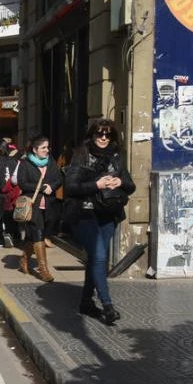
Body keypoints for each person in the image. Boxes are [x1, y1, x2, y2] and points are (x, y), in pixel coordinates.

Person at [64, 120, 136, 324]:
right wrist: (97, 184)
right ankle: (108, 305)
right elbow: (71, 186)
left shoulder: (116, 157)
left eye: (108, 135)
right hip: (86, 213)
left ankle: (86, 302)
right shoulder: (82, 154)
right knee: (99, 256)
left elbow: (131, 186)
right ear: (92, 135)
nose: (103, 138)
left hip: (109, 213)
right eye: (99, 134)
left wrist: (119, 182)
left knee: (96, 260)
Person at [17, 135, 63, 282]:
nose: (46, 150)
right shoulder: (25, 163)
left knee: (34, 235)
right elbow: (22, 183)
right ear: (35, 150)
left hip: (49, 205)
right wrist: (43, 187)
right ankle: (43, 269)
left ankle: (24, 259)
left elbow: (59, 178)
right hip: (33, 204)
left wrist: (52, 186)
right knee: (38, 233)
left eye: (47, 147)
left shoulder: (51, 162)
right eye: (43, 148)